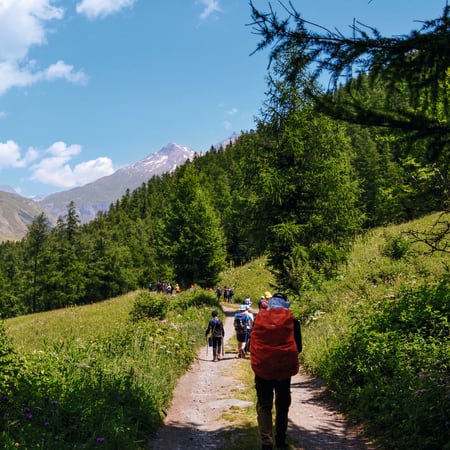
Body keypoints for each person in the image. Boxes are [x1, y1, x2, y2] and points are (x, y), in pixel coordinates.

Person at [250, 293, 302, 450]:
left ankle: (266, 442)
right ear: (286, 304)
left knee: (265, 406)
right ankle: (281, 440)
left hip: (263, 372)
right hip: (283, 372)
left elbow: (253, 343)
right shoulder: (293, 322)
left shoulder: (260, 319)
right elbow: (298, 348)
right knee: (282, 406)